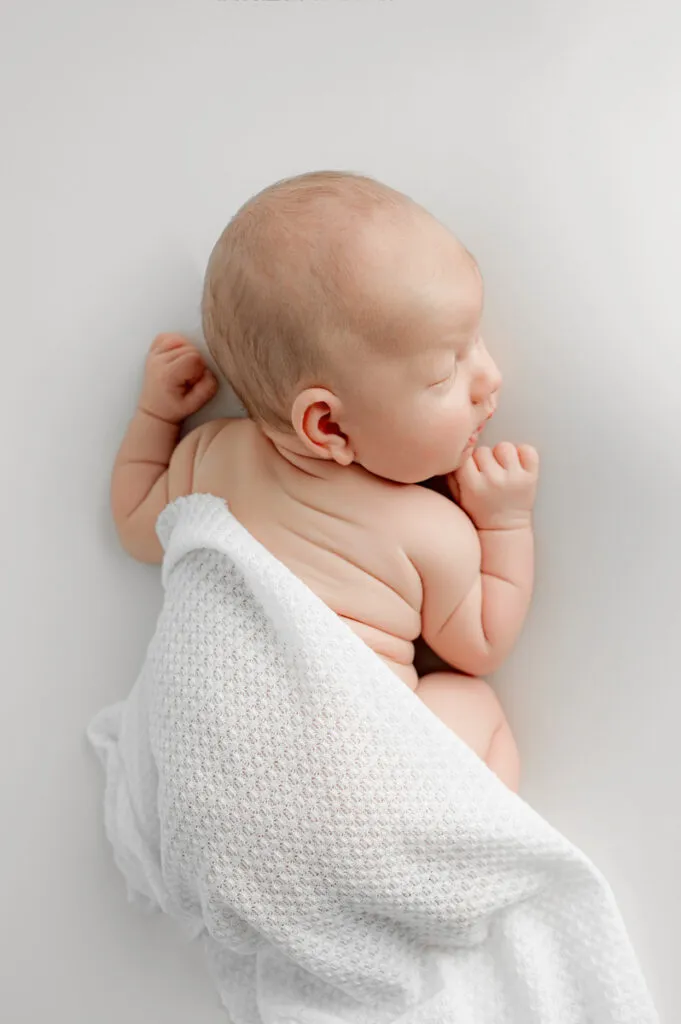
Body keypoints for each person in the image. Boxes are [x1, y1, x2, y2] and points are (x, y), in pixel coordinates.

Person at [110, 170, 540, 793]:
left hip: (215, 782)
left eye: (474, 341)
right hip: (353, 791)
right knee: (470, 701)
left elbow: (133, 522)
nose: (490, 377)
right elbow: (480, 645)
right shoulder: (429, 528)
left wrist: (156, 415)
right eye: (447, 370)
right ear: (327, 424)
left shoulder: (209, 458)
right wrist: (506, 521)